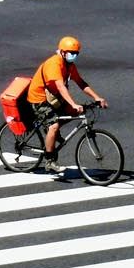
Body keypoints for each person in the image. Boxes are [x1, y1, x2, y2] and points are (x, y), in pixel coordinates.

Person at [26, 36, 108, 173]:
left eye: (76, 54)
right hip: (39, 99)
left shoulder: (69, 66)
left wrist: (97, 97)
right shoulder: (54, 64)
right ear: (63, 52)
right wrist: (73, 103)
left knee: (76, 112)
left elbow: (81, 83)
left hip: (53, 98)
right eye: (71, 53)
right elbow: (60, 86)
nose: (74, 56)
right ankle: (50, 161)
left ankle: (52, 132)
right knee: (54, 125)